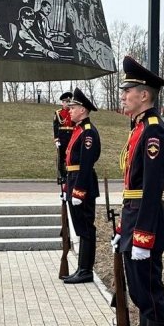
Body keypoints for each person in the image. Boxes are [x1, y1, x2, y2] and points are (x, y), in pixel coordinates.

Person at [113, 56, 164, 326]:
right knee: (140, 293)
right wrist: (124, 228)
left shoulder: (153, 132)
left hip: (145, 222)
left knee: (150, 295)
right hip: (134, 218)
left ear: (145, 96)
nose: (123, 97)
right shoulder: (139, 129)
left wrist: (142, 236)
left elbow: (150, 189)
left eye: (128, 91)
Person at [62, 88, 101, 284]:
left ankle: (86, 270)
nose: (69, 110)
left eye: (73, 107)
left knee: (86, 228)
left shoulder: (88, 133)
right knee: (80, 228)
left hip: (81, 184)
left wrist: (78, 190)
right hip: (74, 180)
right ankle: (81, 268)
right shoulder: (78, 129)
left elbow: (85, 165)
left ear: (83, 110)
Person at [53, 91, 74, 184]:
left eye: (69, 101)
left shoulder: (73, 111)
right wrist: (56, 139)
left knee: (70, 156)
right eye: (66, 102)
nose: (68, 104)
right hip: (62, 137)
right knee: (61, 157)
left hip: (71, 136)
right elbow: (55, 127)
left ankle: (70, 174)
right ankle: (63, 175)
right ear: (63, 102)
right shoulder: (58, 113)